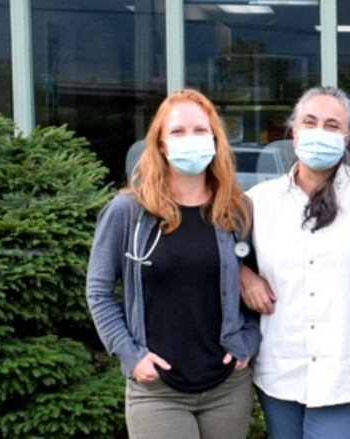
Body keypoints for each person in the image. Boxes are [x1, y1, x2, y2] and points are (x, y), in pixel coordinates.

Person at [85, 89, 261, 439]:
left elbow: (256, 285)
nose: (190, 139)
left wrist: (248, 340)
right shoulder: (129, 212)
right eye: (178, 132)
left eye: (200, 130)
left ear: (215, 138)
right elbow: (99, 291)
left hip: (227, 388)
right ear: (161, 145)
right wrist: (130, 355)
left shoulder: (237, 212)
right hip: (157, 390)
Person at [239, 86, 350, 439]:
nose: (320, 132)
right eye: (310, 122)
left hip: (344, 373)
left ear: (347, 138)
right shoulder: (260, 201)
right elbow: (216, 250)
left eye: (333, 125)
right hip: (279, 370)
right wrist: (243, 274)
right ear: (294, 131)